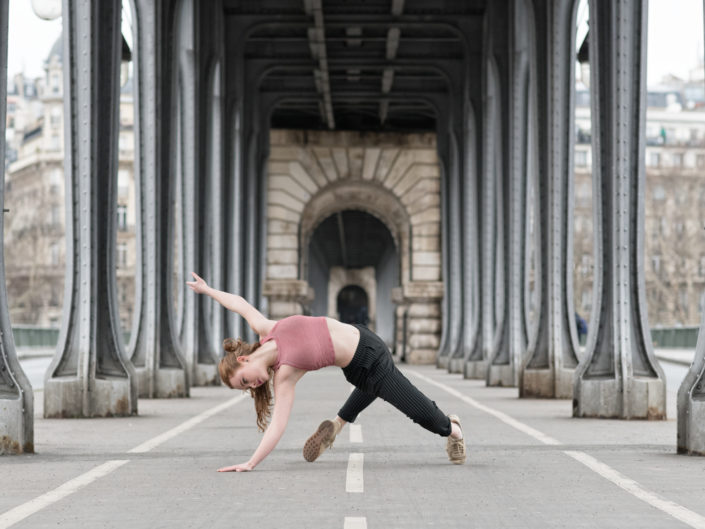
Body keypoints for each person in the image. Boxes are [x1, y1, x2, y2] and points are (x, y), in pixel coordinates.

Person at [186, 272, 466, 472]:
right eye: (246, 388)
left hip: (369, 348)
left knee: (422, 415)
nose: (253, 385)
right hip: (357, 370)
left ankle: (453, 428)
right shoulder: (285, 374)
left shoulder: (267, 329)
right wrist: (251, 462)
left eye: (245, 380)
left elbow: (239, 304)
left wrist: (207, 290)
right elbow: (278, 426)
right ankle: (339, 424)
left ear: (244, 360)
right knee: (374, 389)